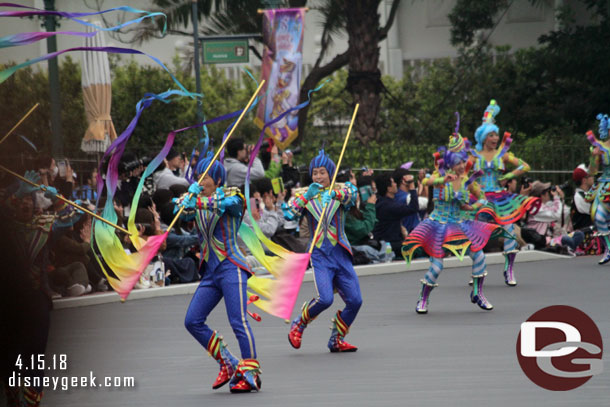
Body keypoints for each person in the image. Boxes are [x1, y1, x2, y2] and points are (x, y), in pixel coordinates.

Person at [176, 152, 261, 393]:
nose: (201, 181)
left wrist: (196, 200)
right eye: (198, 176)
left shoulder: (232, 196)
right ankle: (228, 361)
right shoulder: (197, 199)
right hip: (211, 272)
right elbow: (182, 213)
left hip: (231, 266)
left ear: (216, 178)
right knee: (192, 320)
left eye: (205, 177)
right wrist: (184, 203)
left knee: (238, 321)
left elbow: (228, 205)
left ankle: (251, 372)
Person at [402, 143, 507, 314]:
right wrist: (442, 180)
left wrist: (472, 207)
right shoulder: (440, 176)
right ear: (450, 164)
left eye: (463, 162)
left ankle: (477, 293)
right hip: (438, 226)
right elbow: (426, 181)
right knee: (436, 267)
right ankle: (423, 299)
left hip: (459, 226)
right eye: (458, 163)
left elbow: (482, 197)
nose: (461, 166)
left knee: (479, 257)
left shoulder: (466, 180)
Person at [283, 149, 362, 352]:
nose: (318, 176)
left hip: (340, 253)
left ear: (330, 173)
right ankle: (299, 323)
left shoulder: (341, 189)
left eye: (322, 172)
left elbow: (352, 196)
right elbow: (289, 214)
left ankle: (336, 338)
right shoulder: (304, 194)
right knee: (325, 299)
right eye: (315, 173)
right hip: (319, 254)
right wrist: (306, 198)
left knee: (355, 301)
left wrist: (334, 193)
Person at [471, 100, 540, 286]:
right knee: (477, 234)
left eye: (496, 135)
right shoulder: (474, 156)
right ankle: (477, 271)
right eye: (491, 135)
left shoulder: (502, 155)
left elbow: (525, 166)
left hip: (500, 197)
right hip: (481, 198)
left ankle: (509, 270)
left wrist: (509, 174)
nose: (495, 138)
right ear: (484, 137)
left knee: (509, 231)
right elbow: (460, 171)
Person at [372, 172, 419, 258]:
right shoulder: (389, 206)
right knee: (417, 249)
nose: (395, 184)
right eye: (393, 182)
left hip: (385, 242)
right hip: (388, 245)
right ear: (388, 188)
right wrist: (412, 187)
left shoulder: (382, 201)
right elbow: (413, 208)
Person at [585, 113, 610, 264]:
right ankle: (609, 248)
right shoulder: (600, 147)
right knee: (598, 217)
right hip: (605, 186)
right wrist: (594, 157)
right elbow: (592, 171)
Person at [572, 165, 594, 231]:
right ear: (584, 180)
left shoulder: (585, 194)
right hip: (586, 238)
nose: (593, 177)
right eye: (590, 175)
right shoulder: (580, 197)